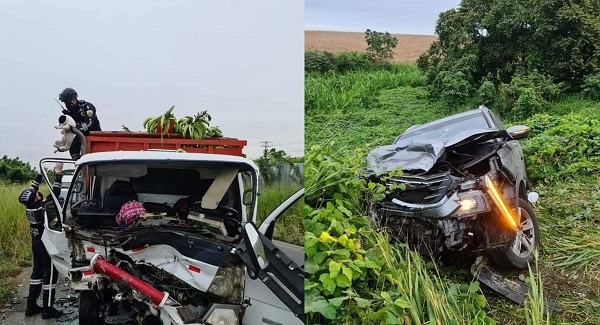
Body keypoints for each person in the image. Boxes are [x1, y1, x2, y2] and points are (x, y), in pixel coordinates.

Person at [18, 163, 65, 319]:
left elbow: (33, 189)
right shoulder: (41, 208)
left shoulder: (30, 207)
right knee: (50, 274)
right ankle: (48, 309)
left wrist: (40, 174)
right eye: (37, 194)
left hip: (35, 243)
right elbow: (55, 193)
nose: (39, 193)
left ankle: (30, 306)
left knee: (37, 273)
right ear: (36, 199)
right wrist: (58, 173)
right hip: (45, 244)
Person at [58, 87, 102, 160]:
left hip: (94, 134)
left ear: (73, 99)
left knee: (93, 152)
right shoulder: (71, 111)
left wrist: (76, 128)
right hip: (82, 134)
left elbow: (89, 123)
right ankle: (79, 166)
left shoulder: (87, 106)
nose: (66, 105)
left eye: (67, 103)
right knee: (73, 148)